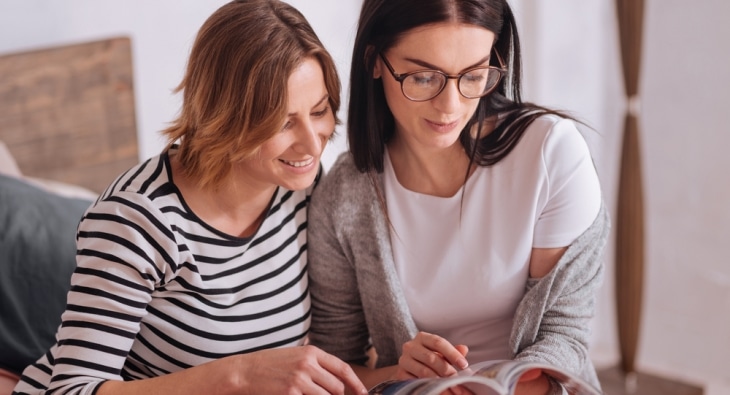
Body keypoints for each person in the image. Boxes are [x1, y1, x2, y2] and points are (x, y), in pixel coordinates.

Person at [12, 1, 368, 394]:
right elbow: (71, 390)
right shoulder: (138, 220)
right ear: (225, 115)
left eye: (319, 111)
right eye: (282, 122)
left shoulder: (302, 188)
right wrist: (238, 376)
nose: (310, 144)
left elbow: (334, 360)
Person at [307, 0, 610, 394]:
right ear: (375, 61)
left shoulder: (550, 156)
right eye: (422, 78)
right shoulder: (344, 196)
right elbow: (337, 368)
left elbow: (564, 335)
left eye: (474, 75)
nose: (450, 106)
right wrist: (399, 373)